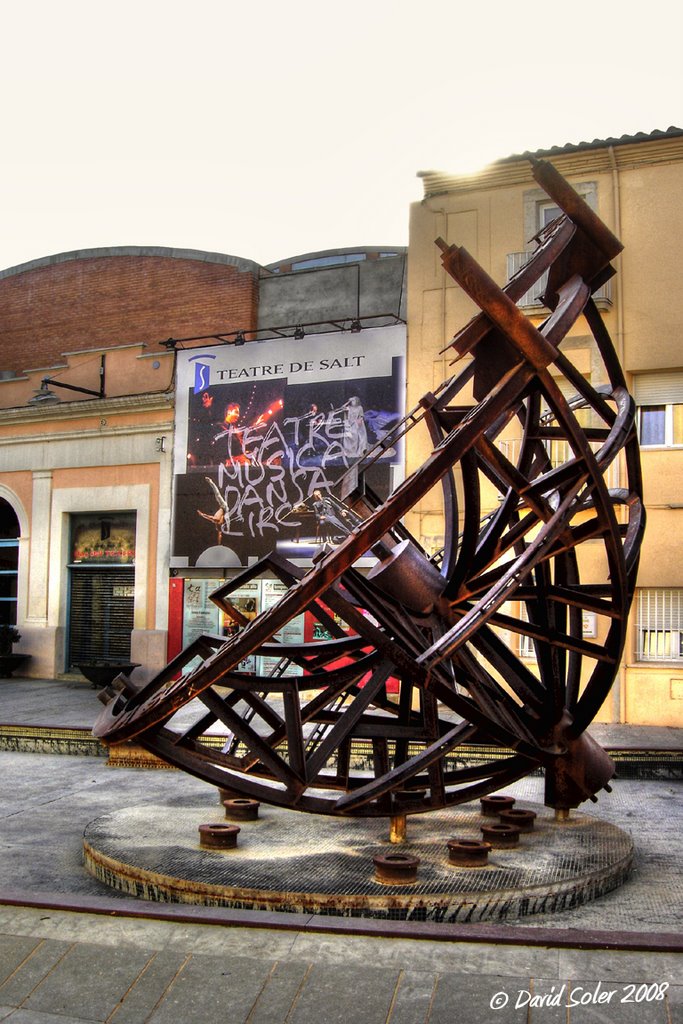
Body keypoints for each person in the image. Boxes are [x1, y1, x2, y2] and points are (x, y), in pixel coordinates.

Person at [197, 476, 230, 544]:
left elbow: (219, 534)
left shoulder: (218, 523)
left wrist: (219, 544)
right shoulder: (216, 520)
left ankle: (211, 482)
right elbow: (209, 517)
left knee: (217, 495)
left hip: (223, 508)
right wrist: (202, 514)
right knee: (217, 495)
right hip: (224, 507)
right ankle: (210, 482)